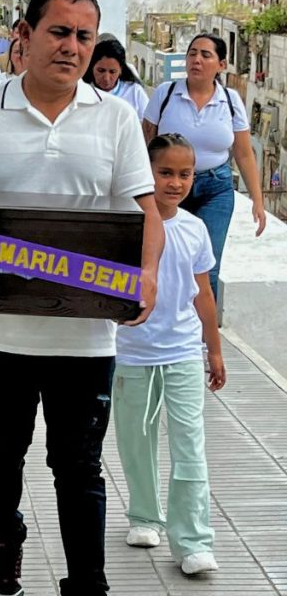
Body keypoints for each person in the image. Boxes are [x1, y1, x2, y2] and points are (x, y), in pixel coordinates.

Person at [0, 0, 164, 596]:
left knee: (79, 468)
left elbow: (144, 211)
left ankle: (87, 582)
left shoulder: (117, 116)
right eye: (59, 31)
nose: (72, 47)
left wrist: (147, 275)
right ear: (23, 35)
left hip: (86, 337)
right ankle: (5, 548)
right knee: (1, 454)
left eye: (84, 35)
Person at [113, 134, 225, 577]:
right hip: (132, 353)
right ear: (147, 173)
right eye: (165, 173)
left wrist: (213, 350)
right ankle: (144, 516)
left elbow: (203, 295)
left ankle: (194, 539)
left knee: (189, 445)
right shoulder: (126, 225)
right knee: (135, 440)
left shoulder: (195, 229)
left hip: (181, 351)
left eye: (184, 174)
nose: (175, 183)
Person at [143, 32, 267, 298]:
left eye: (205, 55)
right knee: (164, 257)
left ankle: (202, 332)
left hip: (216, 189)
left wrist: (257, 200)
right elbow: (145, 144)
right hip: (168, 188)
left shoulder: (231, 101)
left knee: (206, 265)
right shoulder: (166, 94)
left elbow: (244, 153)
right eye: (192, 53)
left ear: (221, 65)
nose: (196, 60)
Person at [84, 39, 149, 120]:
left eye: (112, 72)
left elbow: (147, 126)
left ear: (120, 70)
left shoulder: (135, 92)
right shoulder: (83, 91)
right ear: (92, 67)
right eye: (101, 71)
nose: (106, 78)